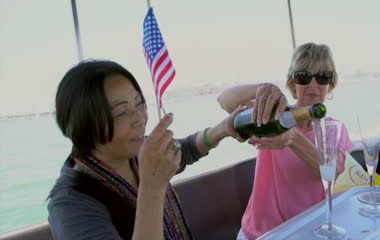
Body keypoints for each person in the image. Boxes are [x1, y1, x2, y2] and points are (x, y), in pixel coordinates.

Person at [47, 59, 243, 240]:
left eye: (140, 103)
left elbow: (186, 150)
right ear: (85, 126)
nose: (140, 119)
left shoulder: (136, 153)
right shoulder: (71, 204)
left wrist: (222, 129)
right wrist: (152, 186)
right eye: (122, 112)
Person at [217, 42, 354, 240]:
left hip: (311, 232)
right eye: (303, 77)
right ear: (292, 83)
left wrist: (293, 138)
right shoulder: (273, 115)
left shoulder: (334, 128)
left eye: (323, 77)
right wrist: (262, 89)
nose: (313, 84)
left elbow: (330, 171)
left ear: (331, 84)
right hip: (262, 234)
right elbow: (224, 100)